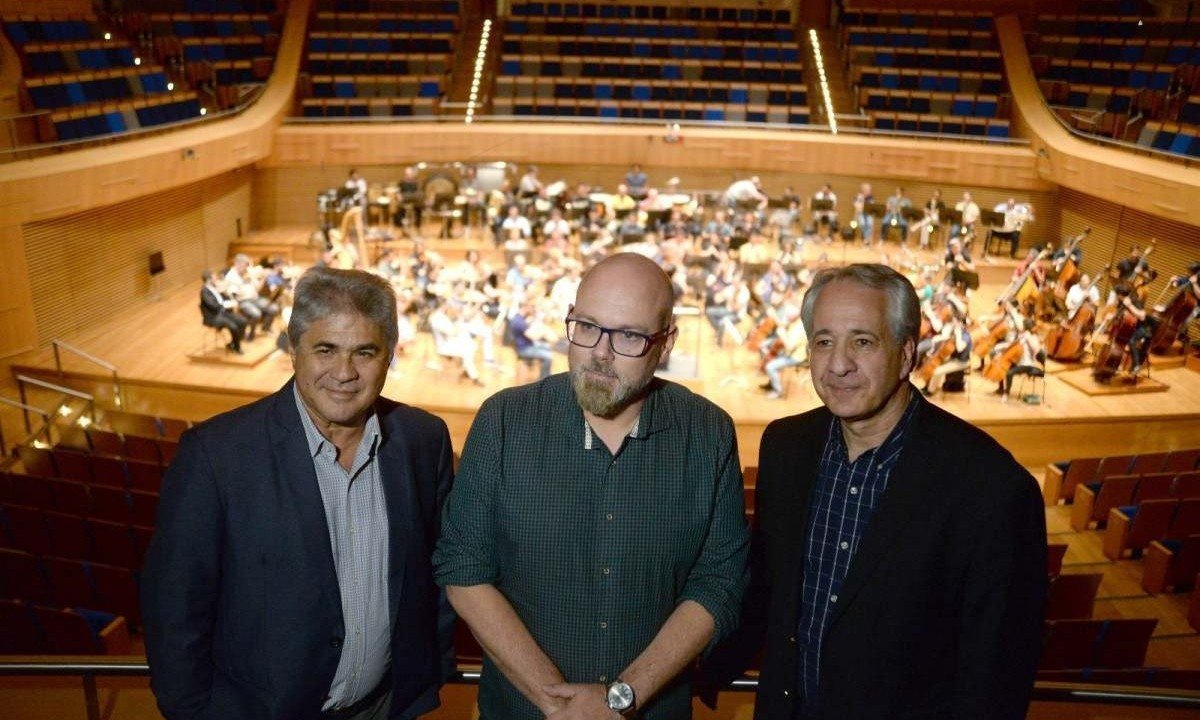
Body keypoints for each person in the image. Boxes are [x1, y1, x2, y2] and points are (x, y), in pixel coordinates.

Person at [709, 263, 1046, 720]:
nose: (838, 364)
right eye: (823, 341)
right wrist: (694, 667)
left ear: (907, 355)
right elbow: (771, 586)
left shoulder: (993, 488)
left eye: (862, 342)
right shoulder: (786, 446)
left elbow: (995, 676)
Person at [435, 253, 749, 720]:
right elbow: (463, 570)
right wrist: (555, 700)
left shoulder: (709, 433)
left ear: (665, 344)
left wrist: (623, 698)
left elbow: (719, 584)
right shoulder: (502, 420)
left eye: (628, 335)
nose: (599, 353)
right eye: (586, 326)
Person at [143, 267, 456, 720]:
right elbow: (175, 606)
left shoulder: (423, 439)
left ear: (389, 356)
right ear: (293, 350)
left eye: (365, 352)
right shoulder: (215, 455)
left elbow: (440, 571)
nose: (345, 373)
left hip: (385, 708)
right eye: (325, 349)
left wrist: (427, 674)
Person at [199, 268, 247, 354]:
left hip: (223, 312)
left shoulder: (214, 287)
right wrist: (225, 304)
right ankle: (236, 347)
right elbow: (213, 305)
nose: (216, 279)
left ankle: (232, 343)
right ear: (208, 280)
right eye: (214, 278)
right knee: (234, 327)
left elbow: (222, 299)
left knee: (243, 321)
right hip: (213, 317)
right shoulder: (204, 291)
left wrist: (227, 295)